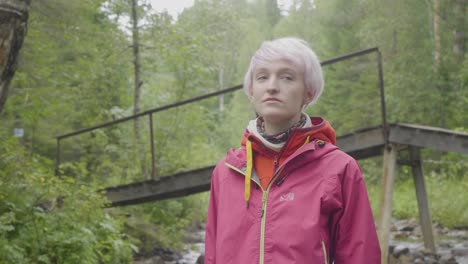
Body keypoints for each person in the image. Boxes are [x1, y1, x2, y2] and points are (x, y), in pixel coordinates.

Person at [204, 37, 381, 263]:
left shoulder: (339, 169)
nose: (272, 86)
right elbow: (212, 256)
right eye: (262, 77)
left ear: (308, 92)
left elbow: (361, 256)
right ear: (251, 91)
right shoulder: (226, 173)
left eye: (287, 77)